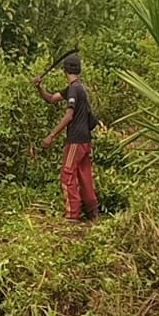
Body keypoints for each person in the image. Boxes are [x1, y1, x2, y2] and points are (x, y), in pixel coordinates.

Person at [34, 53, 99, 222]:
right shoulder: (78, 88)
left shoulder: (74, 90)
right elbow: (51, 99)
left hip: (76, 140)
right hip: (85, 139)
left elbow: (69, 115)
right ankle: (93, 211)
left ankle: (73, 214)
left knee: (67, 174)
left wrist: (51, 135)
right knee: (84, 174)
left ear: (65, 70)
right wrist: (39, 88)